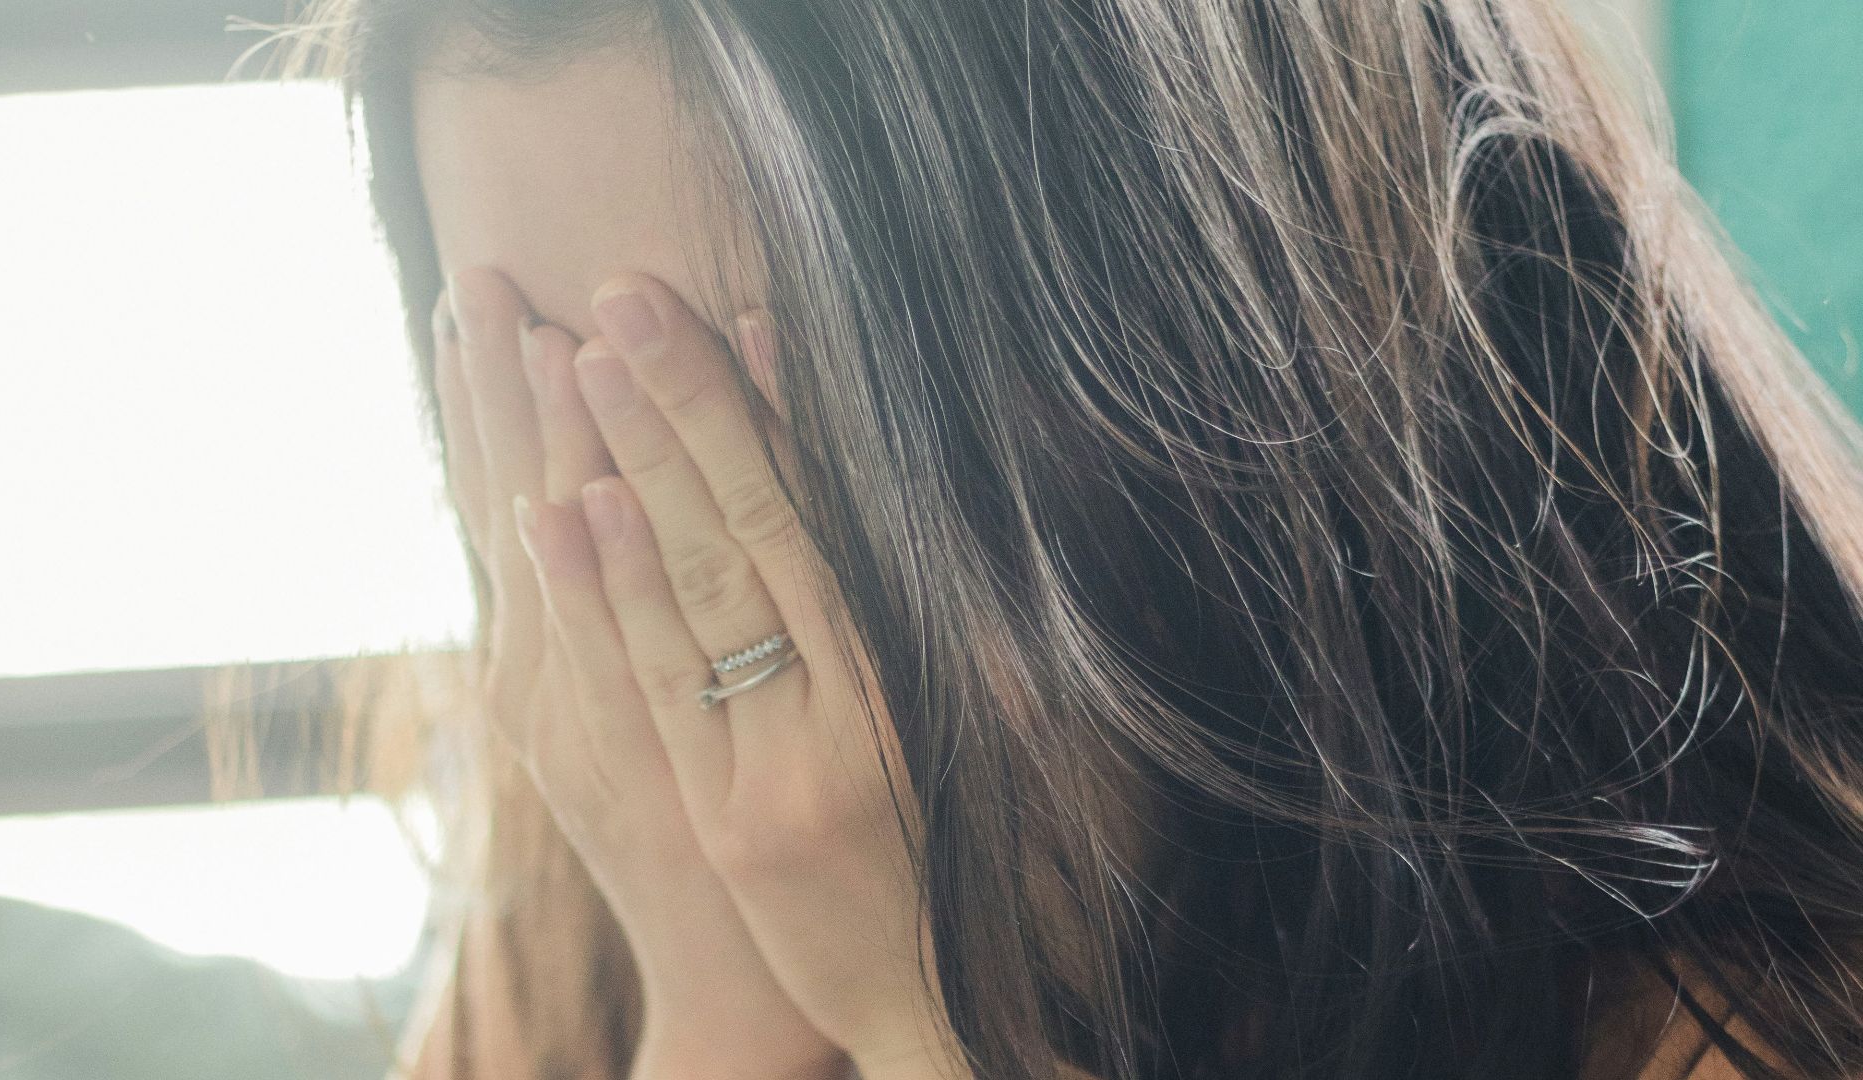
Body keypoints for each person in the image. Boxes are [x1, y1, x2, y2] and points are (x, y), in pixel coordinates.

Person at [257, 1, 1863, 1077]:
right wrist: (721, 1020)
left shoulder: (1719, 1020)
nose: (674, 574)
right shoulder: (583, 892)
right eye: (557, 409)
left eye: (748, 423)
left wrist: (933, 1019)